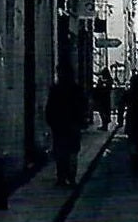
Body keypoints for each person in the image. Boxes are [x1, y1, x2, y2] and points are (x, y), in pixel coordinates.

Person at [45, 60, 88, 188]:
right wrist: (82, 120)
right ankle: (71, 177)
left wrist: (51, 121)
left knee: (61, 152)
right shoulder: (76, 89)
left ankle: (62, 177)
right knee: (72, 152)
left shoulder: (56, 89)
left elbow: (50, 108)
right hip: (72, 124)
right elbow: (83, 106)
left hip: (60, 125)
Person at [93, 67, 113, 131]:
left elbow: (102, 88)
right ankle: (104, 125)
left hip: (104, 98)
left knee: (104, 112)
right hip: (104, 98)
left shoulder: (108, 80)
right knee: (103, 112)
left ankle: (105, 125)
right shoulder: (106, 80)